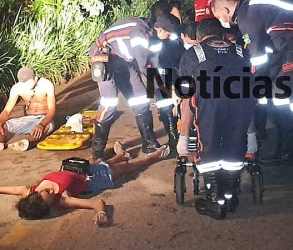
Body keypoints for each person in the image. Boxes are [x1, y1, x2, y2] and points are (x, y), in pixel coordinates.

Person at [211, 0, 293, 179]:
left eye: (219, 16)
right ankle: (287, 152)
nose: (222, 21)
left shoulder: (247, 16)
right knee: (280, 100)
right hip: (288, 47)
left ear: (226, 10)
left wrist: (247, 85)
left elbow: (257, 59)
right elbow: (260, 52)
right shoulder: (250, 12)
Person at [177, 18, 255, 213]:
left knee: (209, 144)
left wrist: (184, 137)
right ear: (221, 34)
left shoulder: (192, 54)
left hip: (209, 103)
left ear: (199, 37)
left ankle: (214, 199)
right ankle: (229, 195)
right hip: (241, 101)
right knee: (235, 142)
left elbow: (187, 99)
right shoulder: (240, 50)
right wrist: (251, 134)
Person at [0, 142, 170, 226]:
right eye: (50, 197)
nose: (50, 191)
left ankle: (121, 155)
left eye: (46, 191)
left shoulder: (32, 191)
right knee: (127, 168)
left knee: (99, 161)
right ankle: (152, 157)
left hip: (82, 169)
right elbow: (96, 203)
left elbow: (15, 189)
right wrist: (101, 213)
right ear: (49, 206)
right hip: (96, 179)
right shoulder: (63, 200)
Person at [88, 16, 166, 160]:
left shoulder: (152, 34)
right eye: (168, 33)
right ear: (159, 29)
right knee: (109, 103)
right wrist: (159, 89)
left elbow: (152, 63)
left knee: (140, 97)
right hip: (104, 57)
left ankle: (148, 143)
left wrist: (158, 87)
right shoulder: (140, 35)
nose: (168, 37)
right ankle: (97, 151)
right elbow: (144, 67)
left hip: (122, 59)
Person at [148, 12, 185, 149]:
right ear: (159, 29)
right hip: (158, 75)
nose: (170, 35)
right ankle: (172, 136)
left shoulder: (172, 37)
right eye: (168, 33)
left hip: (172, 73)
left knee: (175, 106)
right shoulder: (153, 41)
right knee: (164, 108)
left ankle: (177, 135)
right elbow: (151, 61)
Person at [0, 67, 56, 151]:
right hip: (28, 118)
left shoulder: (46, 85)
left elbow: (52, 110)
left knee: (45, 128)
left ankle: (26, 142)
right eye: (23, 83)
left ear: (35, 78)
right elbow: (6, 111)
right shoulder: (17, 88)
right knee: (3, 125)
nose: (25, 86)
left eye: (27, 83)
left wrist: (41, 124)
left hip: (45, 118)